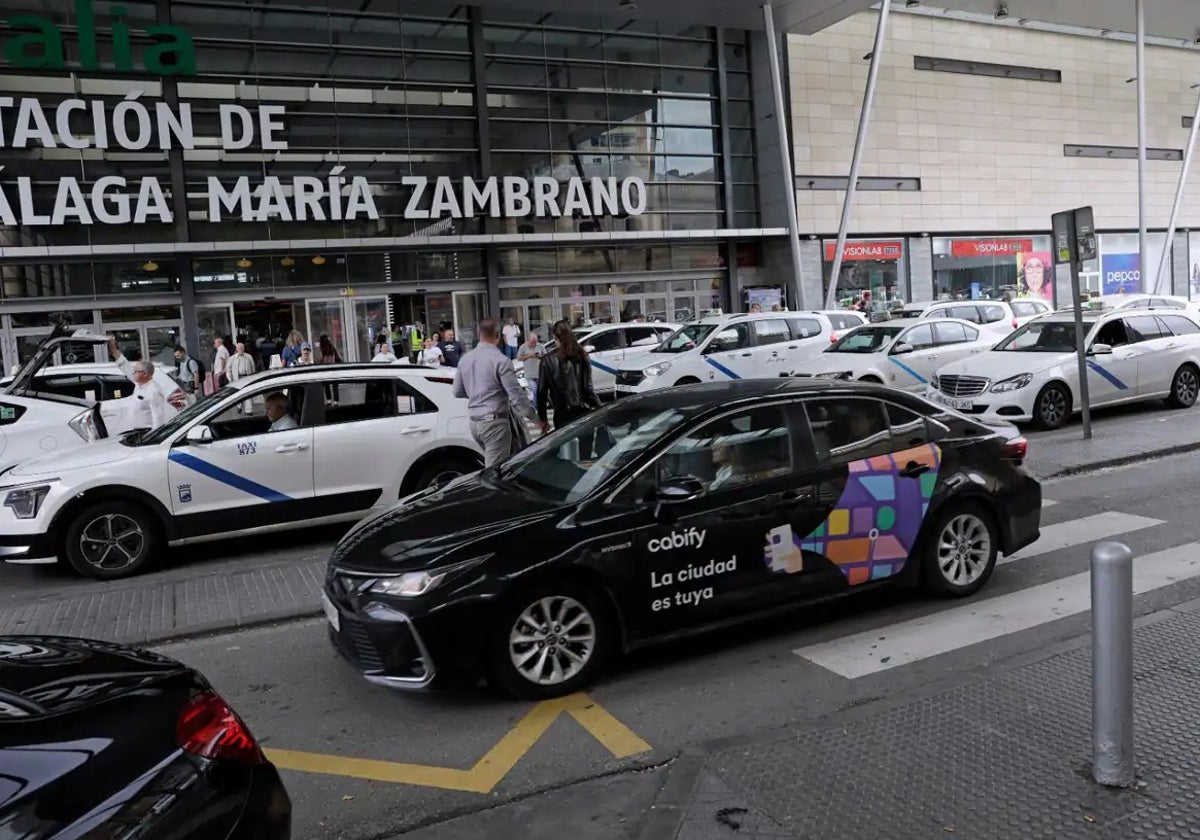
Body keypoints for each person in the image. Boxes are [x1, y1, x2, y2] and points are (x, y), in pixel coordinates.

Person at [453, 318, 545, 467]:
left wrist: (477, 393)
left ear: (478, 333)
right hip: (494, 424)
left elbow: (457, 391)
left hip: (474, 423)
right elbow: (516, 396)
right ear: (497, 335)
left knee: (498, 466)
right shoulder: (501, 361)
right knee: (494, 472)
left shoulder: (465, 360)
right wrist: (536, 420)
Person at [537, 320, 600, 443]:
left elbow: (541, 392)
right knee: (585, 455)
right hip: (584, 412)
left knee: (566, 453)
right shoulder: (582, 355)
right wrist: (599, 407)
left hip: (562, 413)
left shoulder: (547, 360)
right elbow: (588, 388)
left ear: (555, 337)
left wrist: (543, 419)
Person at [108, 337, 177, 431]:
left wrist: (153, 436)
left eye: (136, 371)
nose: (133, 373)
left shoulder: (154, 390)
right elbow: (124, 364)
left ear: (145, 374)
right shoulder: (139, 384)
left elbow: (158, 417)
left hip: (146, 431)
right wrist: (113, 349)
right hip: (136, 431)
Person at [516, 332, 546, 409]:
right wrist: (529, 355)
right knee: (534, 389)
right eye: (532, 342)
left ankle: (538, 404)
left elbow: (546, 357)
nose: (533, 344)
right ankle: (536, 405)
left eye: (535, 342)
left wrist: (539, 356)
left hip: (539, 373)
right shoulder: (523, 347)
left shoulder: (540, 346)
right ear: (528, 340)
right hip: (529, 374)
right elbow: (519, 358)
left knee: (539, 390)